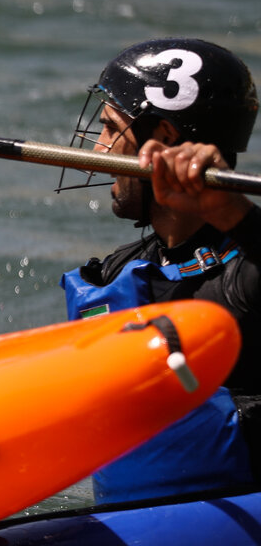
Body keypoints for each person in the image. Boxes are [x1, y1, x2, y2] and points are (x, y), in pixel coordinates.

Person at [60, 37, 261, 503]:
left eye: (112, 129)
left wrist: (231, 212)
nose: (100, 147)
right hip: (145, 526)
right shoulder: (121, 271)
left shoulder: (247, 271)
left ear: (164, 140)